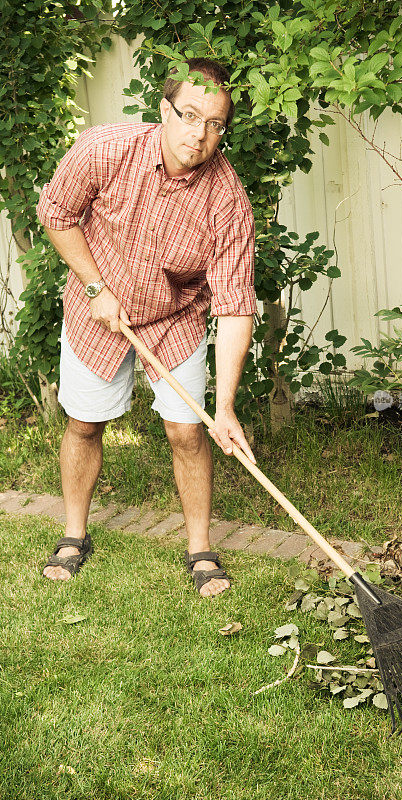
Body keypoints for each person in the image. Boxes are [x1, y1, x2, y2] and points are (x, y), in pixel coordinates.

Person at [36, 57, 256, 597]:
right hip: (99, 309)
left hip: (174, 316)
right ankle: (73, 534)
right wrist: (94, 286)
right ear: (164, 110)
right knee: (85, 424)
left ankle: (200, 549)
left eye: (215, 124)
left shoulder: (227, 201)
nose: (199, 134)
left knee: (189, 431)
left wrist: (224, 406)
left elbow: (233, 306)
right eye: (188, 115)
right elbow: (56, 212)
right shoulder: (103, 150)